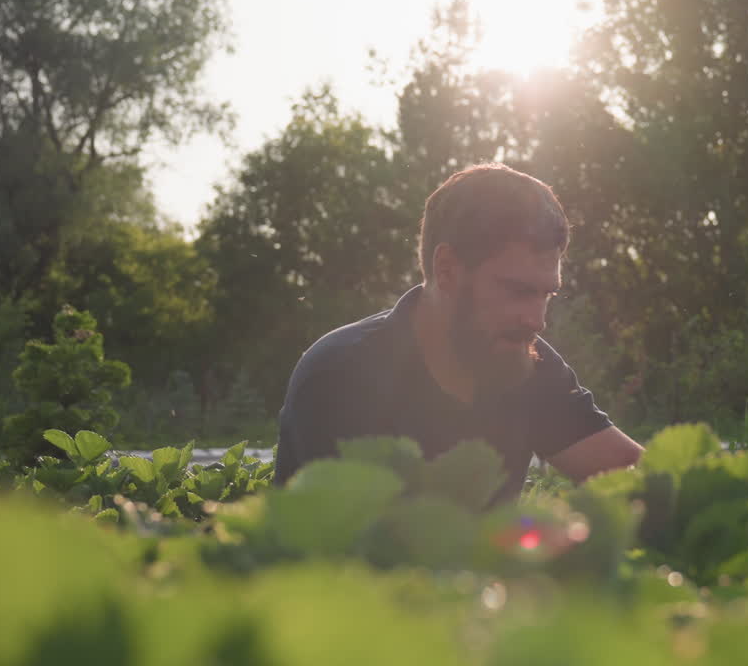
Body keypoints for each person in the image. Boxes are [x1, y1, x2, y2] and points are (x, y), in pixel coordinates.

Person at [273, 163, 643, 501]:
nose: (536, 320)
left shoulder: (526, 362)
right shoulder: (342, 376)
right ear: (447, 269)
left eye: (546, 294)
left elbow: (632, 475)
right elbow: (351, 559)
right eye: (518, 291)